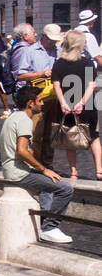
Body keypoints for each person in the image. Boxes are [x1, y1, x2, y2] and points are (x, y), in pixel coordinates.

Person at [0, 84, 74, 245]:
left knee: (47, 188)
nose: (42, 104)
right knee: (65, 189)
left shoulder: (11, 118)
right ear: (30, 103)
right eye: (40, 101)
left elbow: (0, 145)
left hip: (11, 169)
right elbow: (21, 150)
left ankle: (43, 224)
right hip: (18, 173)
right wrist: (44, 169)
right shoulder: (25, 120)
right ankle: (50, 228)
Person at [51, 29, 102, 181]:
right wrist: (82, 102)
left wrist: (63, 103)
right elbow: (91, 85)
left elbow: (56, 85)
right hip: (87, 106)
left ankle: (73, 171)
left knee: (69, 138)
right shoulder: (87, 62)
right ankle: (99, 170)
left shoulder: (59, 63)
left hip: (65, 107)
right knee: (94, 137)